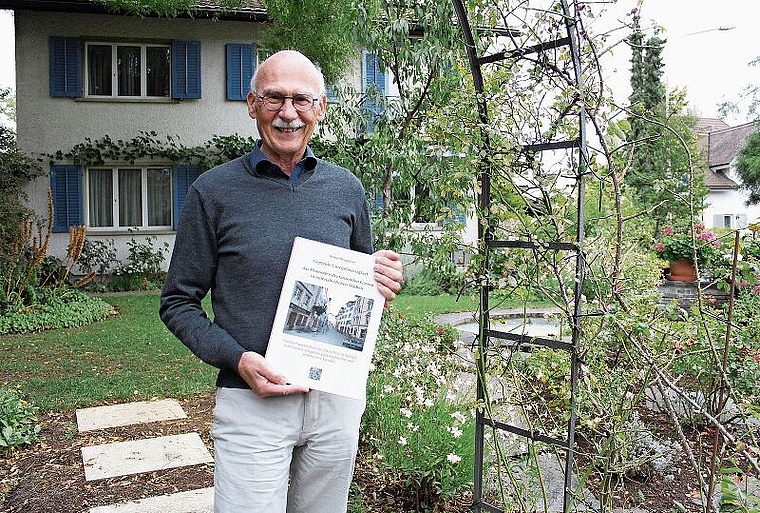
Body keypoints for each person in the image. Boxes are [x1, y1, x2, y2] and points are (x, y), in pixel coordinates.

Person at [159, 50, 403, 512]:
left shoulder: (346, 189)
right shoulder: (212, 192)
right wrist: (238, 359)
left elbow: (361, 285)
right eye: (274, 99)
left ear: (321, 108)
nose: (288, 113)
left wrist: (382, 282)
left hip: (334, 402)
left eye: (301, 100)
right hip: (252, 402)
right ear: (252, 104)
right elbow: (177, 302)